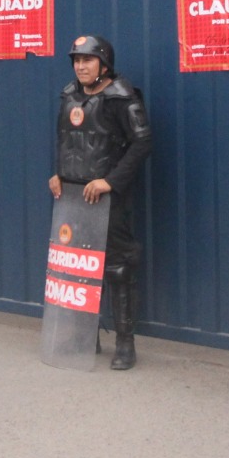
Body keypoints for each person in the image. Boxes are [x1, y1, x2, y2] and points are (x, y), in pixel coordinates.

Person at [48, 35, 152, 370]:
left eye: (87, 60)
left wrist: (110, 182)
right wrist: (58, 174)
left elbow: (141, 143)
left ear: (104, 64)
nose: (80, 66)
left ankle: (125, 344)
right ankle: (83, 335)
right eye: (76, 60)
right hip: (73, 198)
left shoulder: (122, 96)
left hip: (108, 199)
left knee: (118, 268)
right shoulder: (68, 95)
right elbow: (66, 140)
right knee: (77, 268)